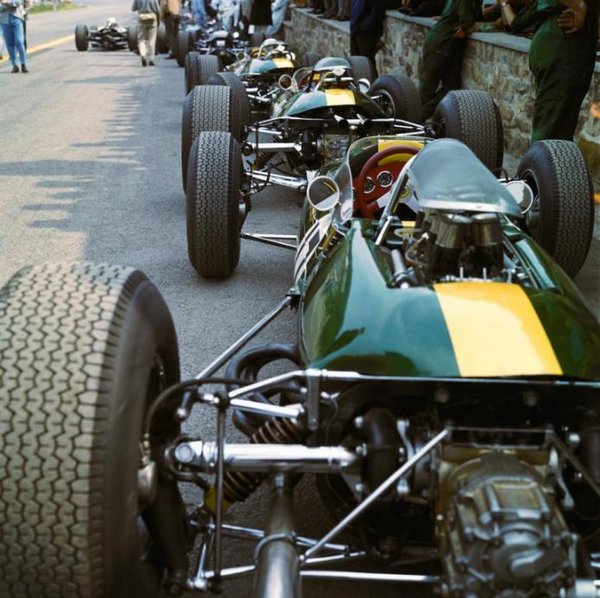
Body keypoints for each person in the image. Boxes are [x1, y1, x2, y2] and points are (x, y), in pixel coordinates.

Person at [498, 0, 598, 143]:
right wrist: (579, 7)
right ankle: (535, 165)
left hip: (575, 58)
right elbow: (513, 23)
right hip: (562, 57)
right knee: (547, 136)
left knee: (560, 137)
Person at [419, 0, 482, 119]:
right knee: (427, 90)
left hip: (448, 44)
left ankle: (422, 117)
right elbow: (466, 25)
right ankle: (412, 121)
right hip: (443, 43)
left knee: (450, 89)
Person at [350, 0, 387, 74]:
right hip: (355, 30)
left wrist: (364, 27)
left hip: (367, 33)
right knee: (356, 63)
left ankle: (371, 84)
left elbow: (378, 13)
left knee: (368, 64)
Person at [0, 0, 28, 73]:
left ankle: (23, 64)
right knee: (10, 44)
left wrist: (6, 3)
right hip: (4, 21)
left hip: (16, 19)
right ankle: (14, 65)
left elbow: (18, 2)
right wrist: (7, 5)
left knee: (19, 41)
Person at [132, 0, 161, 66]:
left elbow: (133, 8)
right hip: (152, 19)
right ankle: (151, 59)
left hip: (142, 19)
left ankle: (143, 55)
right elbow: (158, 10)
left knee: (141, 39)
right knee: (152, 40)